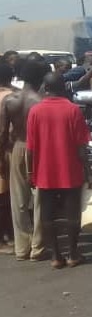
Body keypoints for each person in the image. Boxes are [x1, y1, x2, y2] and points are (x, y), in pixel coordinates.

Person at [27, 72, 92, 269]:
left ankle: (56, 257)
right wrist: (89, 171)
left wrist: (31, 173)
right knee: (72, 213)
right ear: (63, 88)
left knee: (47, 214)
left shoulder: (35, 111)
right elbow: (81, 147)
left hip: (44, 171)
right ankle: (73, 254)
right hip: (70, 170)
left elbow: (31, 148)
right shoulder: (73, 110)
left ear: (45, 88)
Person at [0, 60, 48, 261]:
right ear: (40, 79)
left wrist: (2, 157)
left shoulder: (9, 100)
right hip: (39, 149)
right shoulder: (42, 102)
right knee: (40, 200)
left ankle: (21, 248)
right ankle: (37, 247)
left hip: (17, 147)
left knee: (18, 200)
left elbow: (2, 133)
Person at [0, 64, 16, 254]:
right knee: (6, 196)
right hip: (7, 148)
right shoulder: (11, 97)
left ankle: (6, 235)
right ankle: (5, 237)